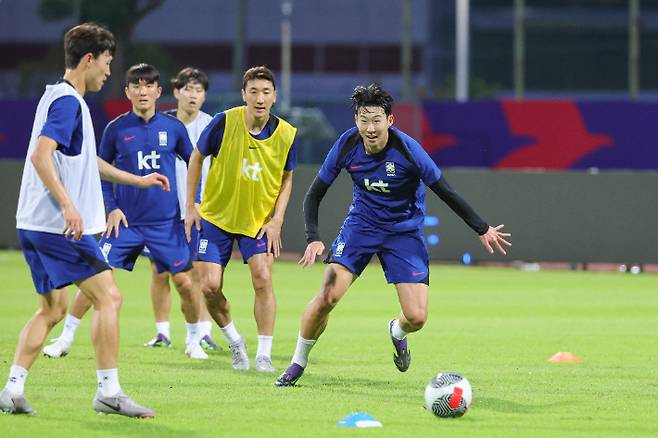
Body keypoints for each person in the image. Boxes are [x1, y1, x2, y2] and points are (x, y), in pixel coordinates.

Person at [275, 83, 511, 387]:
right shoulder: (347, 145)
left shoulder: (409, 151)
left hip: (403, 232)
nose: (370, 127)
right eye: (363, 119)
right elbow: (314, 194)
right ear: (355, 120)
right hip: (361, 226)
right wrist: (313, 236)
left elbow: (445, 191)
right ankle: (297, 364)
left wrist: (482, 228)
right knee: (327, 296)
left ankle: (396, 331)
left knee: (417, 317)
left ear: (390, 120)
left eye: (376, 120)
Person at [1, 23, 162, 417]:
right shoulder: (69, 102)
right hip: (58, 226)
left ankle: (12, 389)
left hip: (34, 224)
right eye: (107, 63)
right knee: (110, 297)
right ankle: (109, 391)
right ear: (88, 59)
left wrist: (135, 180)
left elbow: (85, 161)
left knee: (54, 309)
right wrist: (69, 206)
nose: (109, 72)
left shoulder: (57, 96)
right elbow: (41, 155)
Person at [41, 63, 208, 361]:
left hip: (165, 224)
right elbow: (100, 172)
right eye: (136, 85)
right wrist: (112, 208)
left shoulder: (174, 129)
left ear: (158, 91)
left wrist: (193, 203)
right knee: (96, 275)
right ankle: (65, 338)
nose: (142, 91)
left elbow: (194, 164)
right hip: (126, 223)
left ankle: (194, 340)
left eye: (148, 86)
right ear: (127, 91)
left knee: (184, 282)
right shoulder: (116, 129)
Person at [185, 66, 297, 372]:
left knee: (263, 278)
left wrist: (276, 221)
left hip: (257, 221)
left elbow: (287, 179)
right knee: (208, 287)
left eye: (265, 92)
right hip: (216, 217)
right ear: (244, 95)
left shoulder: (286, 135)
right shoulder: (224, 121)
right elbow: (196, 157)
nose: (259, 98)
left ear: (274, 96)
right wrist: (191, 206)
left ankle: (263, 354)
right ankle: (235, 341)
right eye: (253, 92)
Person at [140, 67, 219, 350]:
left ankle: (204, 331)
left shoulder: (212, 125)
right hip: (164, 212)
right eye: (188, 89)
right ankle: (162, 331)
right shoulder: (162, 124)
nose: (193, 95)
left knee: (199, 272)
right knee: (159, 272)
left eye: (199, 90)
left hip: (201, 211)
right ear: (176, 92)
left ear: (205, 95)